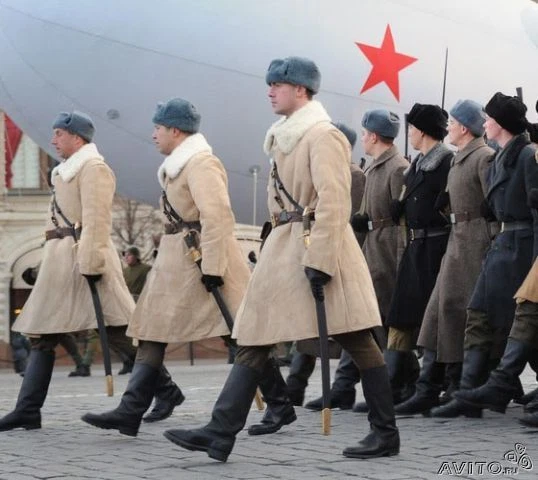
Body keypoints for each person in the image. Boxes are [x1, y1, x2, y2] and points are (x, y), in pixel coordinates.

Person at [163, 56, 399, 461]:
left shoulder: (323, 136)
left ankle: (385, 432)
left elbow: (334, 200)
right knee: (254, 334)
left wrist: (321, 260)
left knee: (357, 338)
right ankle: (221, 431)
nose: (270, 92)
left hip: (315, 247)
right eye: (270, 85)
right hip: (284, 247)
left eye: (278, 85)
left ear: (301, 90)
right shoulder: (285, 136)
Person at [81, 97, 276, 437]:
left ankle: (280, 403)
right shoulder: (178, 166)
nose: (153, 134)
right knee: (152, 330)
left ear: (175, 130)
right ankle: (130, 410)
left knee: (239, 333)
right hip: (177, 258)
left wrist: (213, 266)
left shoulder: (200, 164)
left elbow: (217, 216)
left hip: (199, 258)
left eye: (158, 128)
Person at [0, 111, 182, 432]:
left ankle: (166, 391)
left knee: (117, 331)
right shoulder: (64, 172)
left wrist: (92, 263)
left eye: (59, 134)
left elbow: (97, 220)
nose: (53, 140)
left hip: (86, 256)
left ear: (77, 137)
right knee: (42, 336)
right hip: (60, 261)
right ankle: (27, 410)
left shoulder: (93, 168)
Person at [432, 92, 537, 418]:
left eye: (489, 118)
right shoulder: (502, 156)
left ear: (501, 123)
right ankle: (468, 391)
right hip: (503, 245)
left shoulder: (526, 156)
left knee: (523, 320)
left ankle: (494, 387)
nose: (485, 123)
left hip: (523, 248)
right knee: (478, 312)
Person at [394, 100, 496, 414]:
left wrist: (490, 246)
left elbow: (492, 207)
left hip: (474, 242)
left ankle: (459, 388)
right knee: (438, 314)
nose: (448, 127)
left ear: (464, 127)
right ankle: (430, 387)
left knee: (460, 315)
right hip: (457, 241)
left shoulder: (483, 157)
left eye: (452, 122)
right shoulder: (460, 158)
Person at [305, 110, 409, 413]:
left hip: (387, 253)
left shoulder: (397, 168)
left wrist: (399, 258)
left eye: (364, 134)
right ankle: (344, 387)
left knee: (382, 323)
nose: (362, 139)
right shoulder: (375, 167)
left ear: (374, 136)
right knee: (362, 320)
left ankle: (397, 385)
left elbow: (401, 223)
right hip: (371, 249)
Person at [286, 121, 366, 409]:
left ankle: (340, 388)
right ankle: (294, 386)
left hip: (339, 255)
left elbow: (344, 219)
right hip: (319, 251)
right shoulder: (324, 168)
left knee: (347, 329)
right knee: (310, 325)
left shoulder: (354, 175)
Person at [383, 103, 453, 414]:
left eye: (413, 128)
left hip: (436, 248)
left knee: (430, 318)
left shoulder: (446, 161)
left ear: (423, 131)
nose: (409, 133)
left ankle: (430, 386)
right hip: (414, 247)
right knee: (400, 315)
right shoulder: (416, 165)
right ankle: (395, 385)